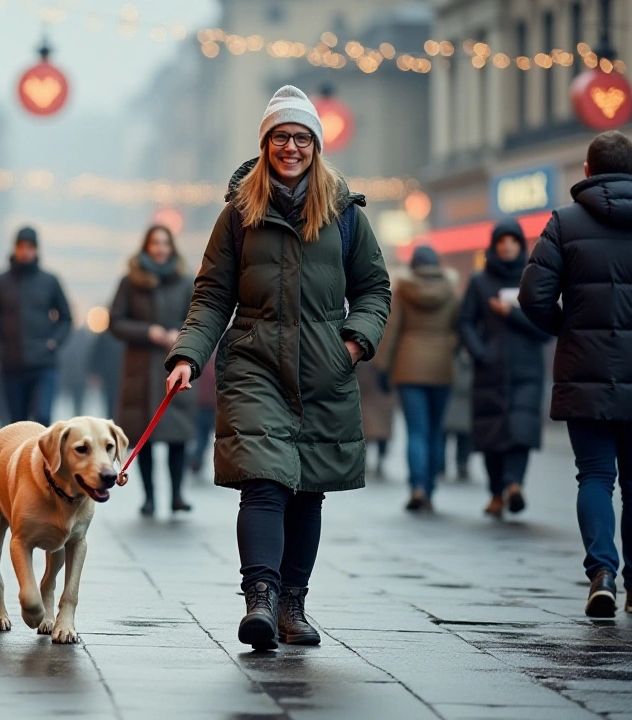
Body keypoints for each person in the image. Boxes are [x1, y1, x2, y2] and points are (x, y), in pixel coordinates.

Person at [166, 86, 391, 651]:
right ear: (265, 144)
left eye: (301, 138)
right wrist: (189, 356)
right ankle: (261, 600)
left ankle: (293, 603)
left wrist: (354, 345)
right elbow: (213, 295)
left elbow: (374, 290)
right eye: (280, 137)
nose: (291, 147)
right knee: (264, 482)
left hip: (324, 366)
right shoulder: (239, 213)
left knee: (308, 488)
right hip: (255, 362)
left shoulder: (344, 215)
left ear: (316, 145)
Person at [520, 130, 632, 617]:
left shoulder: (565, 222)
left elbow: (532, 297)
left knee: (595, 475)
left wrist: (568, 329)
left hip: (585, 367)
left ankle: (602, 572)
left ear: (587, 173)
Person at [461, 219, 550, 519]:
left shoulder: (533, 280)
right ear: (494, 246)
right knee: (492, 433)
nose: (507, 246)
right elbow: (465, 322)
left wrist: (512, 314)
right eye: (502, 241)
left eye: (513, 241)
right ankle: (496, 493)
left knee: (520, 429)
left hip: (527, 370)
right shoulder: (479, 281)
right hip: (490, 369)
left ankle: (513, 485)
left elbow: (546, 328)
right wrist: (479, 353)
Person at [109, 225, 195, 516]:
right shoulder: (130, 281)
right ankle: (148, 497)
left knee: (178, 434)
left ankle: (177, 495)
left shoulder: (185, 282)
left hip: (175, 364)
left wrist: (178, 335)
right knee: (144, 434)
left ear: (172, 247)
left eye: (165, 243)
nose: (160, 248)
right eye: (154, 243)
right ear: (146, 247)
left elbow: (197, 319)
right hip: (141, 370)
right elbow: (115, 322)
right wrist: (149, 331)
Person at [376, 245, 460, 512]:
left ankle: (417, 487)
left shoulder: (403, 290)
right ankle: (431, 489)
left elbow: (391, 330)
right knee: (436, 430)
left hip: (408, 366)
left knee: (416, 430)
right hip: (441, 367)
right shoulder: (450, 291)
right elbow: (459, 327)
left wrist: (382, 366)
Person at [0, 226, 72, 425]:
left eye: (30, 247)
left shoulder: (50, 281)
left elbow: (66, 318)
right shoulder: (0, 282)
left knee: (42, 417)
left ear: (37, 249)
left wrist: (54, 342)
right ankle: (21, 457)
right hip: (11, 365)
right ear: (15, 248)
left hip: (43, 364)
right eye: (21, 246)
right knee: (17, 423)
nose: (25, 251)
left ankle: (42, 457)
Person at [355, 359, 394, 480]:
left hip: (368, 391)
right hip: (382, 390)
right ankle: (379, 461)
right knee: (380, 432)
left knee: (366, 431)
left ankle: (367, 461)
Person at [441, 350, 474, 482]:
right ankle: (462, 464)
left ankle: (441, 466)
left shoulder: (448, 358)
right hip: (462, 407)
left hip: (450, 405)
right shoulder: (472, 358)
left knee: (445, 437)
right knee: (463, 439)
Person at [188, 349, 218, 478]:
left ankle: (195, 459)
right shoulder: (211, 368)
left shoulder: (203, 365)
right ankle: (195, 459)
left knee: (201, 435)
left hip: (204, 406)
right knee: (202, 436)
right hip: (205, 406)